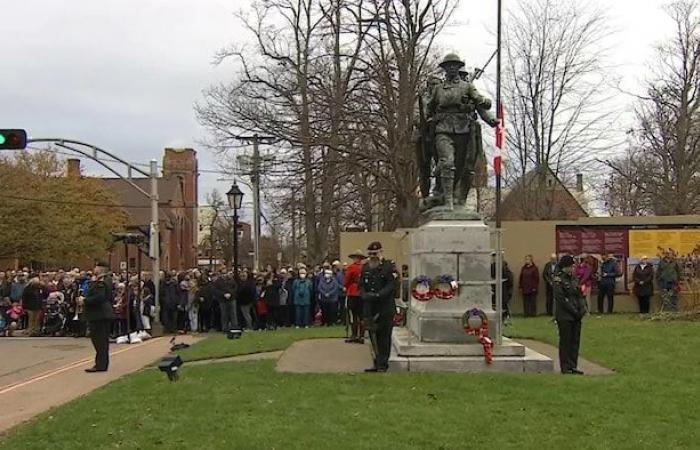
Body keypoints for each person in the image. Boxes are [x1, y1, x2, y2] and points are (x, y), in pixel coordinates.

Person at [360, 241, 397, 373]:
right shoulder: (365, 267)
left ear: (381, 252)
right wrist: (364, 295)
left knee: (384, 337)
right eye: (370, 254)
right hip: (370, 308)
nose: (372, 256)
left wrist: (377, 295)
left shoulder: (389, 267)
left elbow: (391, 286)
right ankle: (376, 362)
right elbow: (361, 285)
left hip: (385, 308)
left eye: (375, 254)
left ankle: (383, 364)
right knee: (373, 338)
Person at [553, 255, 587, 375]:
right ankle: (566, 366)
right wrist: (574, 311)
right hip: (565, 315)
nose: (573, 268)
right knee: (566, 341)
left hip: (576, 315)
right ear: (565, 267)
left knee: (575, 341)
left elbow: (580, 295)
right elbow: (561, 299)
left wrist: (582, 309)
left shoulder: (574, 278)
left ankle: (573, 365)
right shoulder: (559, 280)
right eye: (571, 266)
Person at [83, 262, 114, 373]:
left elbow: (100, 297)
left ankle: (101, 364)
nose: (94, 268)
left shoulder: (102, 281)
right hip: (101, 314)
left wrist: (85, 300)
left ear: (101, 269)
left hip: (99, 315)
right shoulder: (103, 280)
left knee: (100, 341)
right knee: (101, 341)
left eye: (96, 266)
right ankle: (101, 363)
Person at [344, 250, 367, 343]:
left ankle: (354, 335)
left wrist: (346, 286)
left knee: (353, 315)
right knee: (361, 316)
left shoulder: (351, 267)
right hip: (362, 293)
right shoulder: (365, 268)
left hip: (353, 292)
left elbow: (347, 280)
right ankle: (361, 336)